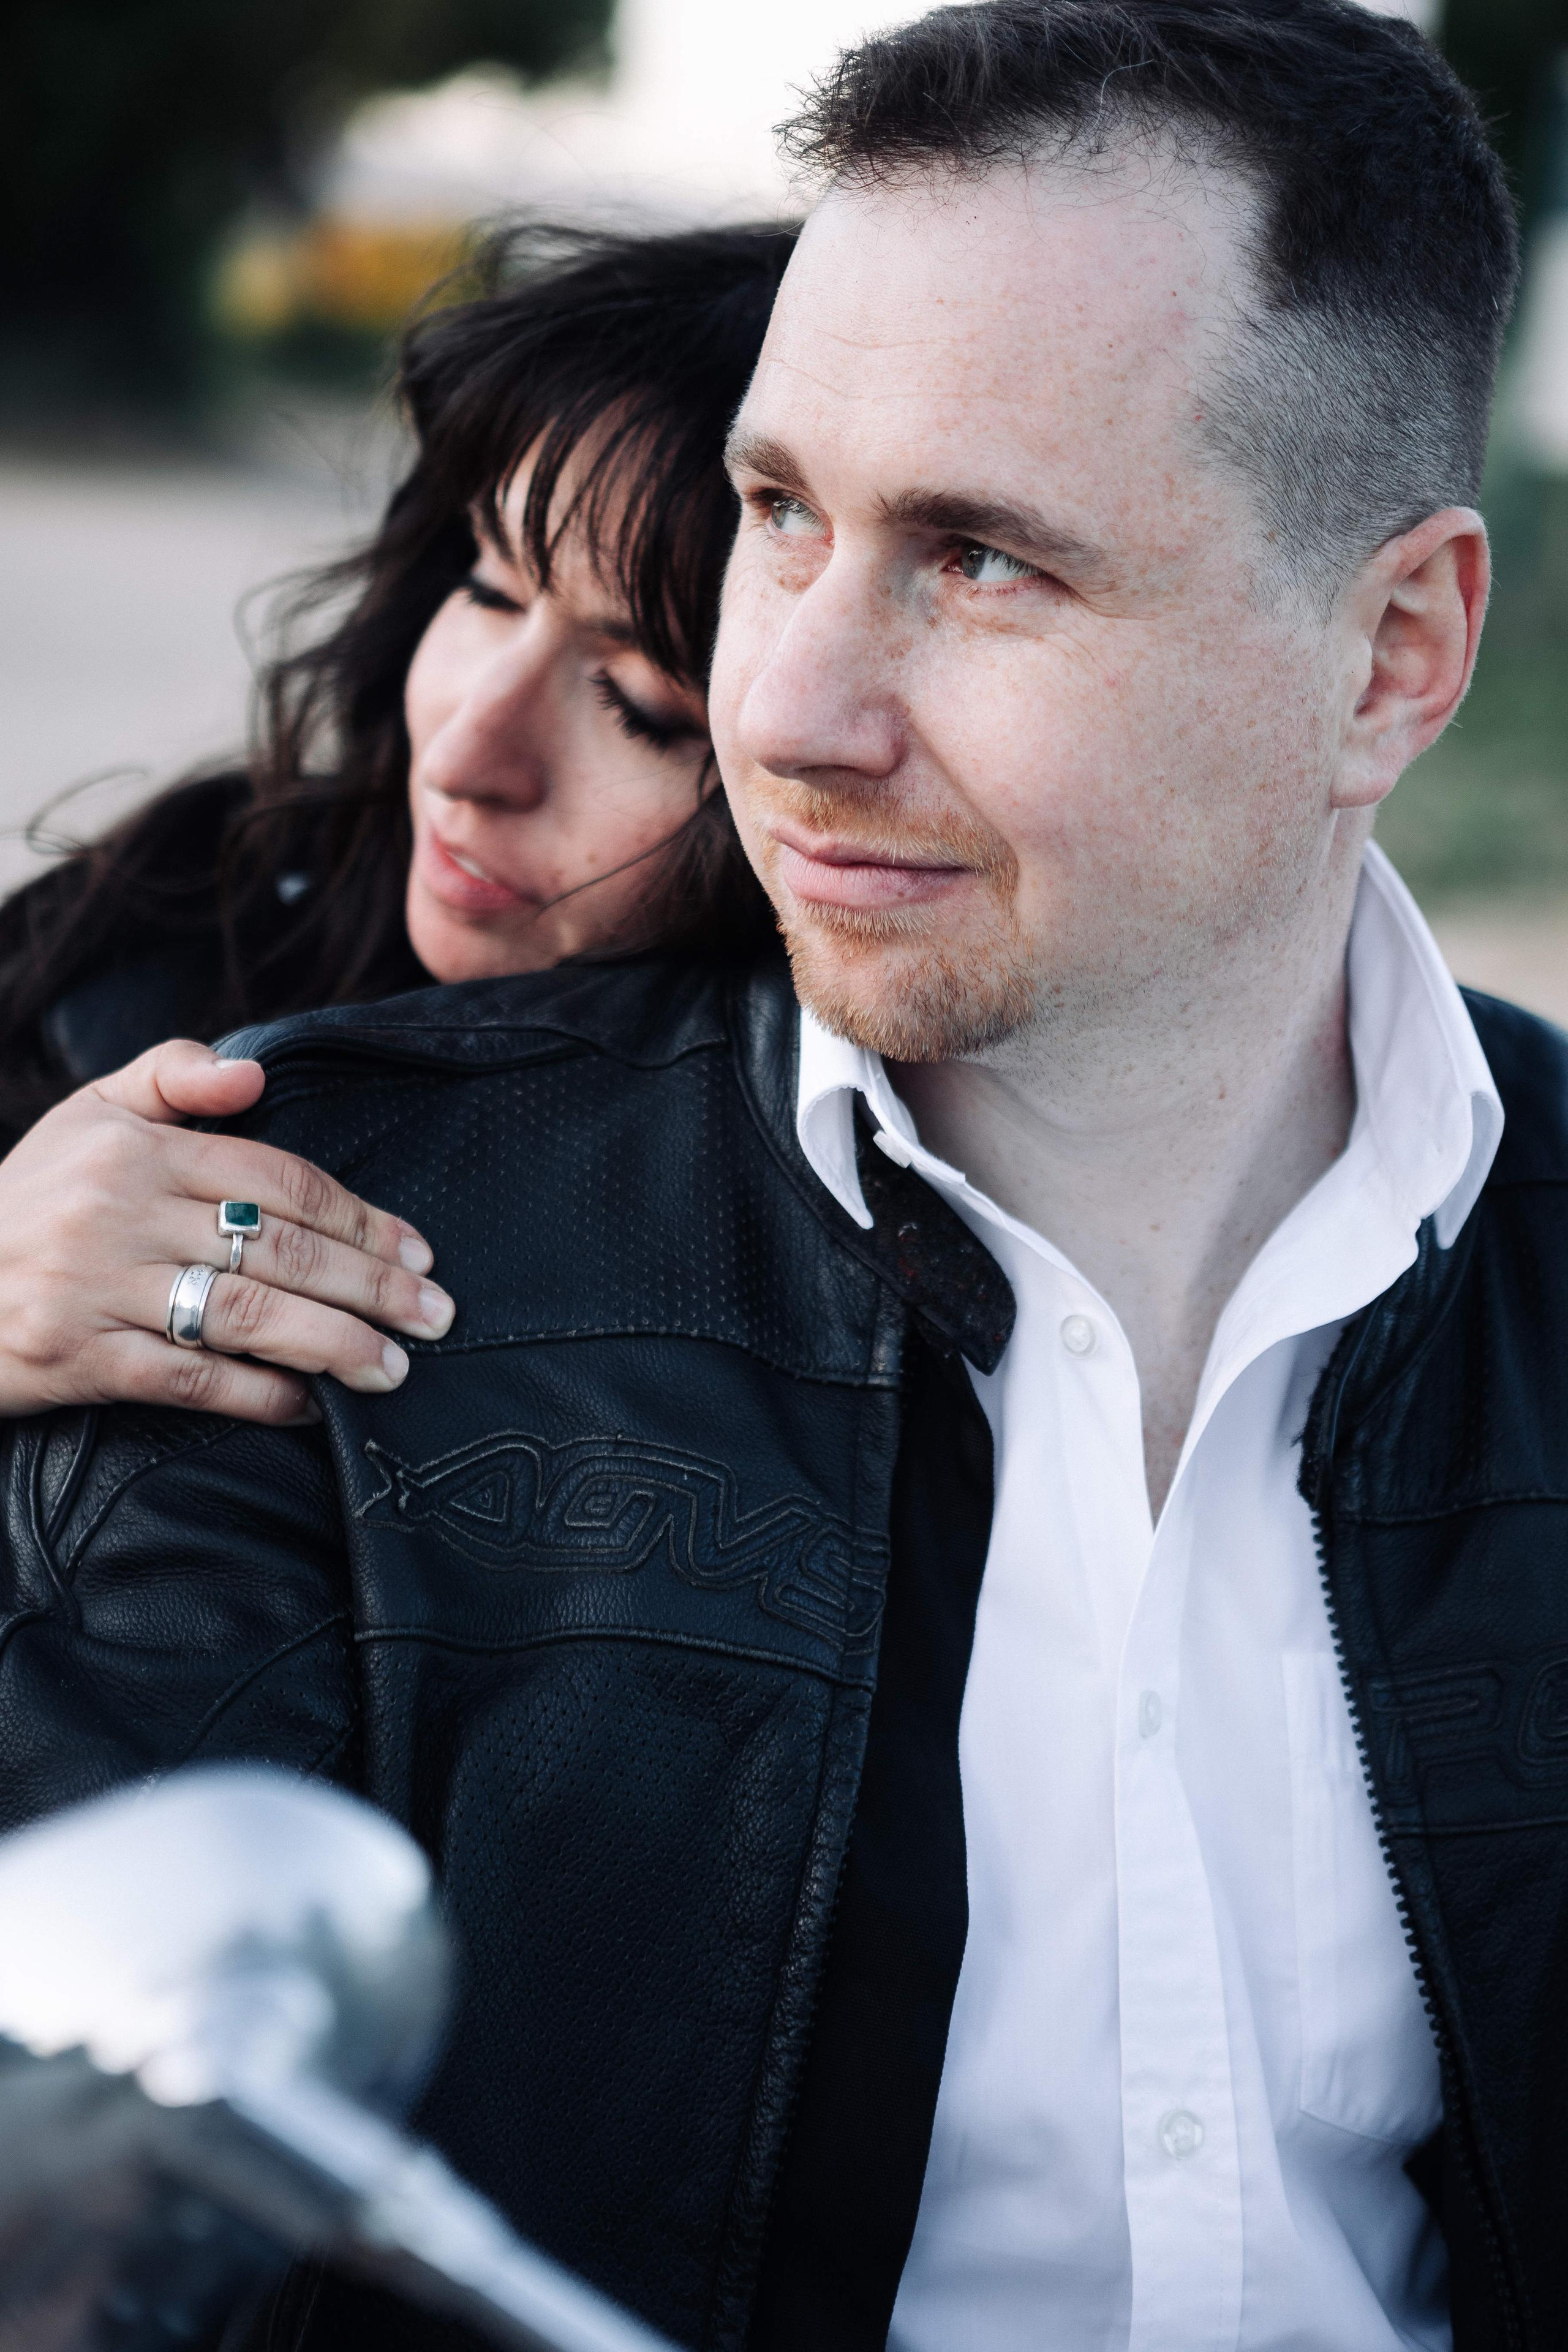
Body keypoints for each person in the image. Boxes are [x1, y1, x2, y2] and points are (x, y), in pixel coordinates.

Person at [0, 3, 1555, 2348]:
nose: (785, 716)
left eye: (989, 561)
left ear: (1394, 654)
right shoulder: (282, 1242)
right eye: (780, 515)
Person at [0, 219, 788, 1422]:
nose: (468, 753)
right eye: (486, 589)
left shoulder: (840, 1248)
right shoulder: (196, 891)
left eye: (640, 707)